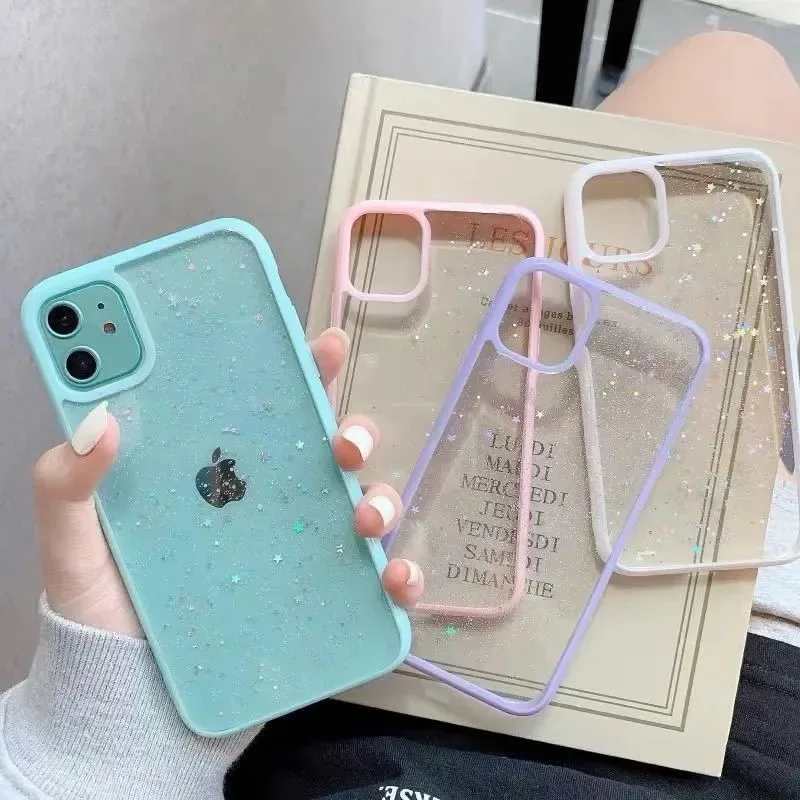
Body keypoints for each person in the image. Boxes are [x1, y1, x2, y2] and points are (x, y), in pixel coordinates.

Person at [2, 30, 800, 800]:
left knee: (730, 69)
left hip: (330, 701)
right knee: (732, 82)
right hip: (756, 697)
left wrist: (110, 727)